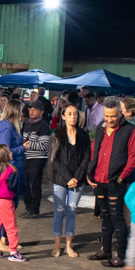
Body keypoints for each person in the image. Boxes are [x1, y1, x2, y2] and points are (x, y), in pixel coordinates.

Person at [86, 96, 135, 267]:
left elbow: (133, 158)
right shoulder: (101, 129)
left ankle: (121, 256)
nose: (109, 119)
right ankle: (106, 250)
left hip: (116, 182)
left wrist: (121, 177)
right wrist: (90, 173)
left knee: (117, 218)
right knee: (105, 216)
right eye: (107, 116)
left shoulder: (131, 131)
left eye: (113, 116)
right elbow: (94, 151)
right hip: (99, 180)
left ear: (120, 113)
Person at [49, 102, 91, 258]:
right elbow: (55, 159)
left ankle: (68, 246)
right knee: (59, 211)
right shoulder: (56, 134)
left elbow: (87, 158)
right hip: (60, 179)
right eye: (69, 114)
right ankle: (57, 246)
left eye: (75, 114)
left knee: (71, 211)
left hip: (77, 180)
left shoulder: (84, 135)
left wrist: (77, 177)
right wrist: (68, 178)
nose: (73, 117)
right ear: (63, 116)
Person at [0, 146, 25, 262]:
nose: (11, 153)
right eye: (8, 152)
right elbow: (13, 187)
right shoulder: (11, 170)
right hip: (5, 201)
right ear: (4, 156)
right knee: (11, 227)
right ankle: (13, 252)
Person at [21, 98, 52, 216]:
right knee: (25, 184)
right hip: (27, 158)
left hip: (38, 159)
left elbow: (44, 146)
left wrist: (28, 145)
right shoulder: (28, 124)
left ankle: (35, 210)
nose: (32, 111)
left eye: (35, 109)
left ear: (41, 112)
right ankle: (28, 208)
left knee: (34, 184)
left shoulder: (43, 126)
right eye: (30, 109)